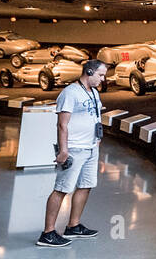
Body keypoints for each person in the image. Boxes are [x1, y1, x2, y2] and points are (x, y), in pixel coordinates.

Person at [37, 60, 107, 248]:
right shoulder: (70, 93)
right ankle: (48, 233)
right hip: (74, 149)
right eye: (100, 75)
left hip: (91, 147)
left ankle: (73, 226)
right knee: (62, 188)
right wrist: (63, 150)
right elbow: (62, 124)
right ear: (89, 72)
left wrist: (97, 139)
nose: (103, 78)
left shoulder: (93, 92)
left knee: (86, 185)